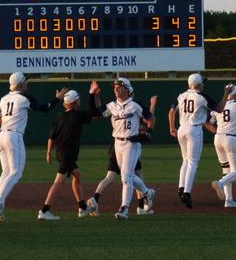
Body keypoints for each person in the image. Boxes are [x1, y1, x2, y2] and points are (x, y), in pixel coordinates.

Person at [0, 72, 65, 223]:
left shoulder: (3, 98)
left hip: (1, 136)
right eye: (25, 82)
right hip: (14, 136)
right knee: (16, 172)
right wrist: (57, 99)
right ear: (20, 85)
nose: (27, 84)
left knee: (6, 171)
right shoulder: (24, 97)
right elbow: (45, 108)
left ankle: (0, 204)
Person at [89, 77, 157, 220]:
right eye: (115, 87)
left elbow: (150, 118)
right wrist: (92, 94)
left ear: (127, 89)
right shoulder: (111, 106)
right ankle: (147, 193)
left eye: (119, 87)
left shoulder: (135, 105)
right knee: (129, 176)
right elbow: (95, 113)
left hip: (132, 143)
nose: (116, 89)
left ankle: (124, 209)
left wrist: (149, 132)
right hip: (117, 143)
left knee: (126, 177)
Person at [40, 89, 94, 219]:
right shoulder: (78, 115)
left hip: (60, 153)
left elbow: (51, 137)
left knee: (77, 177)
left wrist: (48, 153)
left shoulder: (59, 116)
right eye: (78, 99)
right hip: (68, 155)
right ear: (75, 102)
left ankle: (82, 208)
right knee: (58, 182)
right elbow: (93, 114)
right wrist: (93, 95)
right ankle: (44, 210)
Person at [168, 73, 219, 209]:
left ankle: (181, 187)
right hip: (194, 129)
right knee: (193, 162)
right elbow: (219, 108)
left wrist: (172, 127)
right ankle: (187, 193)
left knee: (185, 160)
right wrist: (226, 94)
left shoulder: (181, 95)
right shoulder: (202, 97)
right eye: (202, 82)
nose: (203, 84)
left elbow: (171, 111)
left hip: (181, 129)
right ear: (198, 84)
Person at [206, 83, 236, 207]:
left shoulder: (218, 107)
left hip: (218, 138)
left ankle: (229, 200)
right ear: (235, 94)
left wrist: (215, 129)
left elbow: (209, 122)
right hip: (231, 139)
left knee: (226, 170)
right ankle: (220, 183)